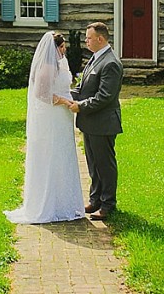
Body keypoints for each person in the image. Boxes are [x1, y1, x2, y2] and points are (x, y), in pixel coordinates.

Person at [4, 31, 85, 224]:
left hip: (61, 118)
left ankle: (63, 202)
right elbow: (42, 93)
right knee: (52, 155)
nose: (64, 50)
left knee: (62, 155)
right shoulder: (48, 66)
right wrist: (64, 101)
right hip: (52, 117)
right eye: (62, 47)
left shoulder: (60, 62)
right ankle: (49, 204)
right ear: (54, 48)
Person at [64, 22, 123, 220]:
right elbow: (84, 89)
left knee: (104, 165)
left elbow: (105, 96)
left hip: (103, 123)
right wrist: (64, 95)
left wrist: (80, 106)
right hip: (89, 123)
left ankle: (108, 204)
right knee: (93, 164)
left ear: (100, 39)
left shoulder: (111, 63)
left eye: (89, 38)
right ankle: (95, 199)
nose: (86, 41)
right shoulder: (95, 58)